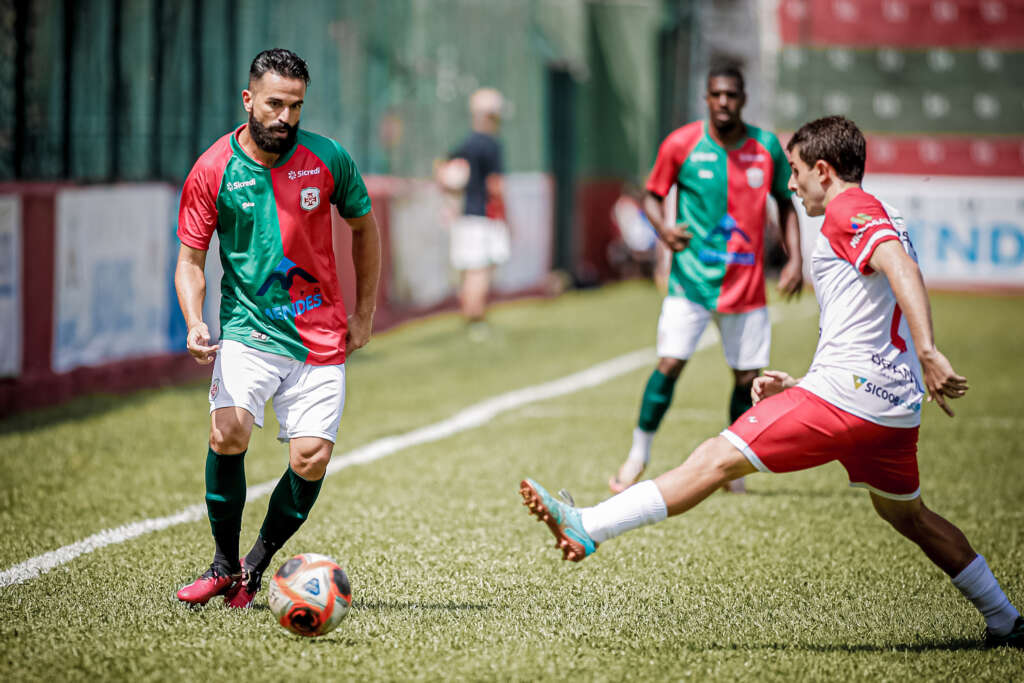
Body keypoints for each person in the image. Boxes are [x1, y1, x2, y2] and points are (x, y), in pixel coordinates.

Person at [519, 115, 1023, 648]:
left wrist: (928, 351)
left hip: (850, 396)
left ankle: (587, 525)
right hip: (889, 406)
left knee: (714, 457)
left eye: (797, 171)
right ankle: (1006, 618)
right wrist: (803, 382)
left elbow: (900, 268)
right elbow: (870, 313)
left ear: (824, 171)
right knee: (911, 517)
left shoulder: (848, 207)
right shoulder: (884, 212)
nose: (790, 183)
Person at [173, 49, 381, 609]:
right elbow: (191, 261)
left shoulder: (328, 158)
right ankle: (221, 564)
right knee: (228, 431)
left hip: (321, 334)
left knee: (310, 457)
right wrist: (195, 323)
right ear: (248, 101)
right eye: (274, 104)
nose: (285, 117)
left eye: (295, 106)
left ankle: (252, 566)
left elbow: (365, 229)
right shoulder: (212, 168)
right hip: (248, 329)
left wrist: (363, 313)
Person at [609, 63, 803, 495]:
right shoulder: (681, 143)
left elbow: (786, 205)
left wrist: (795, 260)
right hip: (690, 282)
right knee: (670, 363)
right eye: (716, 94)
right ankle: (637, 456)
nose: (723, 102)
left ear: (743, 99)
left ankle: (730, 470)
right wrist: (663, 230)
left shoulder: (765, 146)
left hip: (746, 285)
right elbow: (653, 196)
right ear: (706, 98)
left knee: (746, 378)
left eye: (731, 95)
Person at [438, 88, 510, 341]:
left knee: (469, 270)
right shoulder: (491, 145)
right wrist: (507, 215)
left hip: (464, 215)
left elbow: (444, 173)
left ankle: (469, 317)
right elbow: (495, 185)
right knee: (480, 269)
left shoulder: (464, 144)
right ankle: (476, 320)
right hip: (483, 215)